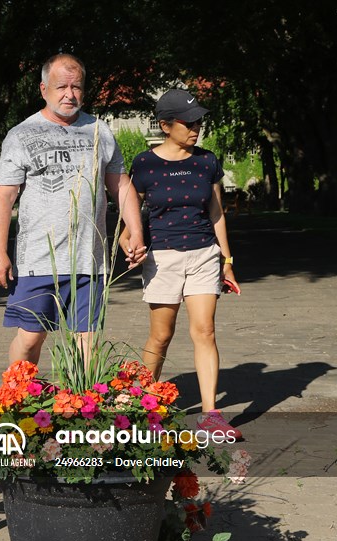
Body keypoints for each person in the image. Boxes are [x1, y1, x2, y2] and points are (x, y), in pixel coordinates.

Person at [0, 54, 145, 366]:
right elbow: (4, 198)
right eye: (61, 87)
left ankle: (82, 409)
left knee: (86, 341)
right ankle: (15, 400)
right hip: (38, 259)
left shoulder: (100, 131)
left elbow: (121, 185)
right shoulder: (21, 134)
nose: (69, 94)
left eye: (76, 87)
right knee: (31, 337)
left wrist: (136, 231)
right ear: (43, 89)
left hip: (90, 259)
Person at [120, 89, 242, 439]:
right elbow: (132, 213)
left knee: (205, 331)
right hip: (164, 258)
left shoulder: (207, 161)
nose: (196, 128)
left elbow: (216, 212)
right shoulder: (144, 164)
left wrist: (227, 260)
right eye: (189, 122)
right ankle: (141, 405)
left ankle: (211, 414)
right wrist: (130, 239)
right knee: (162, 335)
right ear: (165, 125)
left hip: (204, 254)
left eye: (199, 121)